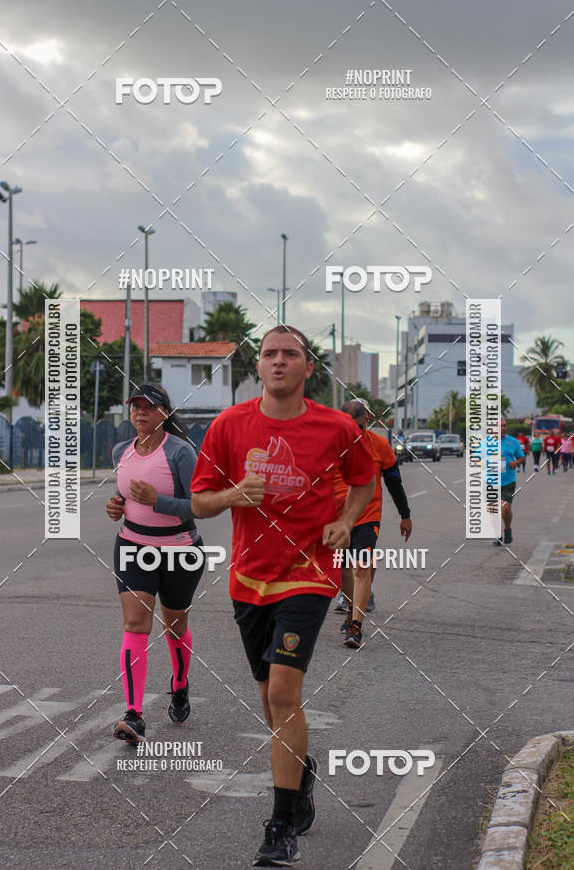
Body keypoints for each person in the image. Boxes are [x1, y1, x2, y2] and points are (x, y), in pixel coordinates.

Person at [190, 326, 375, 868]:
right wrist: (232, 494)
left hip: (308, 575)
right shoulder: (230, 424)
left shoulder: (338, 426)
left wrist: (345, 520)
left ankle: (278, 827)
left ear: (306, 367)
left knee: (283, 694)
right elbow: (200, 503)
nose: (277, 362)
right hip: (249, 579)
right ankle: (301, 771)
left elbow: (365, 478)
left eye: (288, 354)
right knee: (269, 695)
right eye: (269, 354)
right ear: (259, 366)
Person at [106, 383, 205, 744]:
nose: (140, 412)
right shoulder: (120, 449)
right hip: (132, 544)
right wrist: (115, 505)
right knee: (135, 623)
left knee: (175, 627)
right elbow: (124, 495)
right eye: (135, 406)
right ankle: (134, 715)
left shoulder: (180, 451)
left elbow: (199, 505)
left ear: (164, 412)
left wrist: (159, 501)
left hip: (180, 549)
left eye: (149, 406)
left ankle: (179, 686)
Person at [333, 400, 412, 648]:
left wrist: (405, 514)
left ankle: (356, 625)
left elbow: (394, 482)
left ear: (366, 419)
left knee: (361, 567)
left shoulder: (379, 446)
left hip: (368, 515)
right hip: (337, 517)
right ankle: (350, 609)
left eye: (357, 426)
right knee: (343, 569)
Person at [493, 416, 525, 546]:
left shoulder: (513, 442)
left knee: (505, 508)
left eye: (504, 425)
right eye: (499, 426)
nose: (502, 428)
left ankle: (507, 529)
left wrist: (515, 463)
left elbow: (521, 457)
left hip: (508, 480)